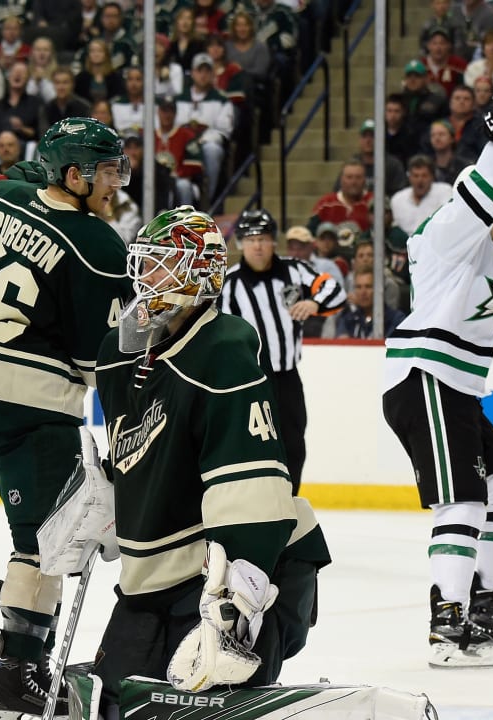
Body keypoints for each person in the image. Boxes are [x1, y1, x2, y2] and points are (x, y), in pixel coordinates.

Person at [90, 205, 330, 706]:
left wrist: (236, 604)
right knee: (115, 702)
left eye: (161, 262)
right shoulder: (120, 353)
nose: (146, 276)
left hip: (234, 575)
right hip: (153, 578)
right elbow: (138, 454)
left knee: (212, 700)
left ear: (199, 272)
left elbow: (253, 490)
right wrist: (102, 501)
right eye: (146, 262)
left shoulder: (222, 350)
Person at [0, 116, 135, 718]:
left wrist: (10, 195)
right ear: (74, 174)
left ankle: (27, 661)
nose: (116, 181)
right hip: (32, 400)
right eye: (106, 170)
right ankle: (16, 676)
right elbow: (89, 357)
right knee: (44, 545)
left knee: (40, 535)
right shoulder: (101, 245)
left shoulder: (0, 194)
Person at [382, 86, 493, 669]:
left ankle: (487, 604)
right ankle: (447, 627)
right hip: (424, 376)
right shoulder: (440, 237)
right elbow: (484, 195)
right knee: (464, 501)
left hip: (456, 386)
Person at [220, 208, 345, 488]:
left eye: (263, 238)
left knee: (293, 443)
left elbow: (335, 291)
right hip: (249, 380)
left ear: (273, 240)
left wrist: (314, 303)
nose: (257, 246)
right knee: (250, 445)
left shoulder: (295, 269)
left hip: (287, 377)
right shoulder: (230, 283)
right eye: (250, 239)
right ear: (240, 243)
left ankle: (290, 501)